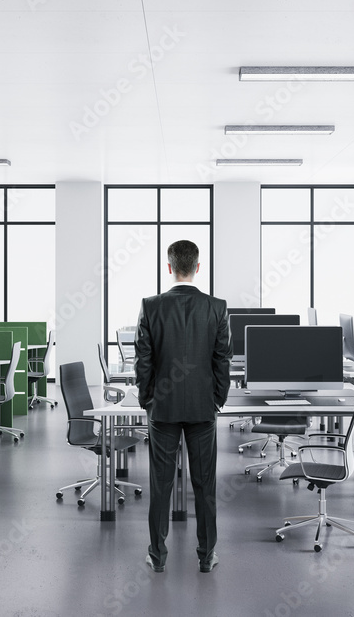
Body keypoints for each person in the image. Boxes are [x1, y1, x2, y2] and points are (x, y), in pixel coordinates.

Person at [135, 240, 231, 573]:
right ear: (198, 268)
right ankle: (206, 556)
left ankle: (157, 556)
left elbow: (143, 361)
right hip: (203, 408)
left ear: (169, 267)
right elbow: (222, 359)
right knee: (205, 484)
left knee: (161, 484)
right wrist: (218, 398)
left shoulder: (150, 306)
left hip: (163, 408)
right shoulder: (217, 307)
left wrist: (147, 399)